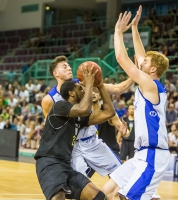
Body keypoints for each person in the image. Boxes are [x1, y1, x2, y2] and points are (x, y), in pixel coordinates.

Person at [103, 8, 170, 200]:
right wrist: (134, 28)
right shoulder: (147, 81)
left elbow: (121, 58)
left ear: (153, 69)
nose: (141, 62)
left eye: (146, 62)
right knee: (108, 191)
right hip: (140, 154)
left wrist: (118, 32)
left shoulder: (150, 84)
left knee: (129, 197)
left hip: (153, 154)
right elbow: (141, 56)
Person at [41, 55, 133, 178]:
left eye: (69, 66)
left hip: (92, 141)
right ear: (55, 73)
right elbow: (50, 129)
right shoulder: (49, 100)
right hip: (71, 148)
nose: (69, 68)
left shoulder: (83, 85)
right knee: (80, 189)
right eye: (64, 67)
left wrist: (137, 73)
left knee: (122, 177)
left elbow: (118, 89)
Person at [34, 66, 114, 200]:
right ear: (71, 93)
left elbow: (109, 113)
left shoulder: (79, 117)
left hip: (66, 164)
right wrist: (88, 84)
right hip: (49, 161)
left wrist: (100, 86)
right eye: (80, 89)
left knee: (99, 196)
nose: (84, 91)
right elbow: (84, 109)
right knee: (58, 196)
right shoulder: (59, 106)